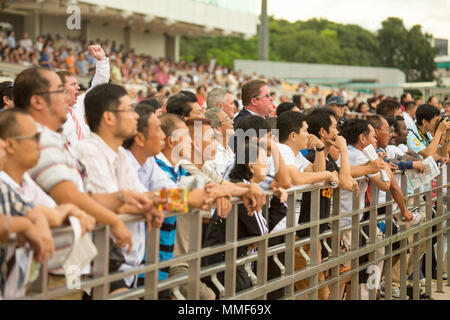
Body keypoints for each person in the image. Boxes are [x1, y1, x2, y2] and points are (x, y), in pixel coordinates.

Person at [14, 67, 147, 291]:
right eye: (60, 90)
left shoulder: (55, 139)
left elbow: (88, 198)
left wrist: (144, 200)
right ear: (37, 102)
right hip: (50, 267)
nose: (70, 97)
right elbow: (69, 196)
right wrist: (114, 220)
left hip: (69, 263)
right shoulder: (37, 140)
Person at [0, 109, 96, 299]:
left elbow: (47, 211)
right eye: (35, 138)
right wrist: (30, 222)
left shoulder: (26, 181)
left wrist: (63, 211)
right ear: (10, 145)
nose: (41, 145)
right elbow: (45, 212)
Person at [295, 107, 358, 300]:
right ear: (323, 131)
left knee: (321, 292)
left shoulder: (325, 156)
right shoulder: (313, 157)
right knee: (313, 294)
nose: (338, 132)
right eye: (334, 127)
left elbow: (344, 181)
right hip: (304, 235)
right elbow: (346, 183)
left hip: (316, 234)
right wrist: (344, 150)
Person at [340, 119, 391, 299]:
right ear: (362, 138)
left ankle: (371, 293)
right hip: (347, 222)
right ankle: (367, 295)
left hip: (353, 220)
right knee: (344, 272)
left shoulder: (352, 153)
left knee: (349, 270)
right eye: (372, 135)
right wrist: (381, 164)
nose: (376, 139)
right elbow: (385, 184)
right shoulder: (360, 156)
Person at [60, 44, 110, 147]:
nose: (78, 87)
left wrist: (101, 61)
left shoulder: (77, 106)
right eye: (73, 84)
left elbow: (98, 88)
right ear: (61, 87)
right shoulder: (51, 113)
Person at [204, 107, 235, 178]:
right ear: (216, 127)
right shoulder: (212, 153)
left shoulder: (228, 150)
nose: (232, 122)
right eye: (227, 119)